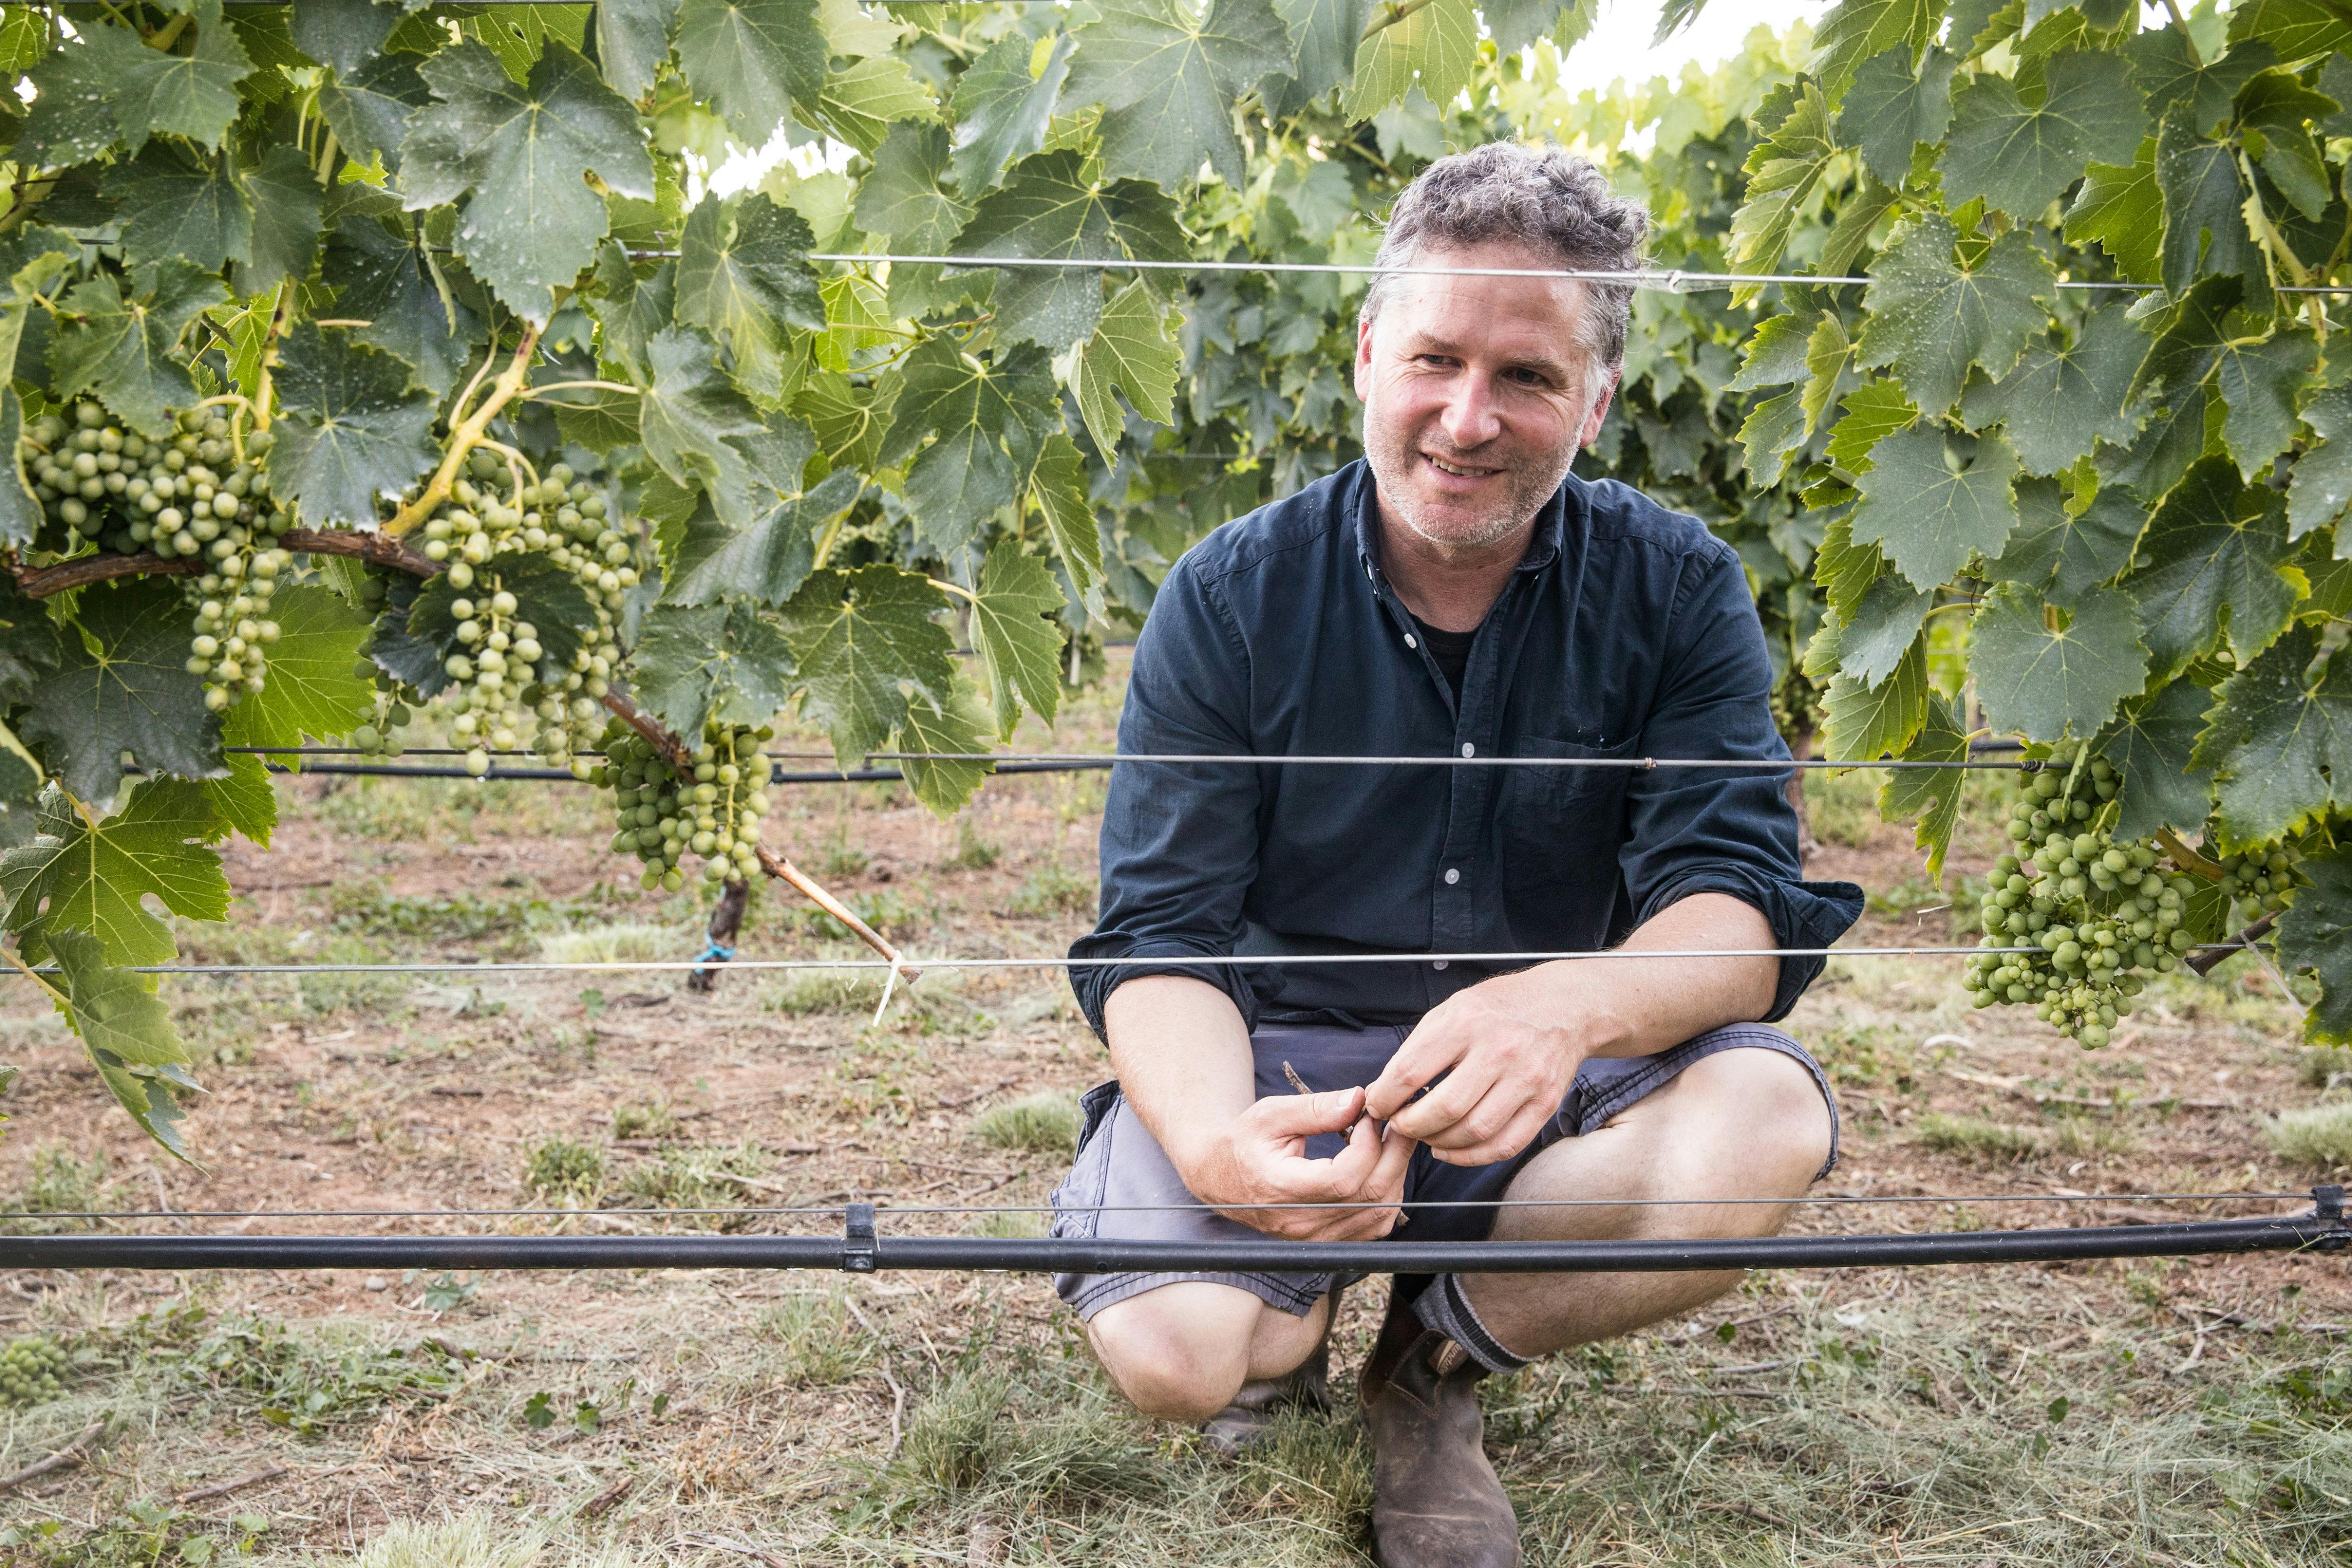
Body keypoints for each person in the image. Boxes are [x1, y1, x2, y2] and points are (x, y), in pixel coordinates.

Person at [1052, 141, 1864, 1567]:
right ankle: (1281, 1297)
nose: (1467, 418)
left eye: (1530, 378)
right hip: (1284, 1069)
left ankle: (1428, 1369)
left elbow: (1738, 918)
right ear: (1368, 355)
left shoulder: (1679, 588)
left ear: (1597, 402)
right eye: (1433, 359)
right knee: (1180, 1355)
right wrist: (1221, 1153)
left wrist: (1558, 1005)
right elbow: (1160, 937)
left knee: (1764, 1130)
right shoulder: (1230, 597)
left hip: (1548, 1096)